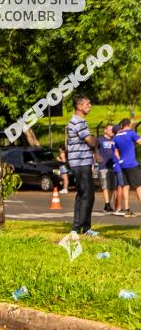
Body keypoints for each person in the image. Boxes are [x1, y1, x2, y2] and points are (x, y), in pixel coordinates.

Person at [67, 95, 102, 235]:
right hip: (80, 162)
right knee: (87, 195)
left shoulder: (79, 121)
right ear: (79, 106)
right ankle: (78, 228)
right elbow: (91, 141)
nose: (90, 106)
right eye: (88, 104)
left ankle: (83, 228)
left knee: (83, 194)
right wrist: (96, 140)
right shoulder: (78, 122)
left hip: (82, 162)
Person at [113, 118, 141, 217]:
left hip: (122, 164)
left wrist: (120, 159)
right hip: (132, 163)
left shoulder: (116, 136)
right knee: (138, 186)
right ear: (129, 124)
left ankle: (127, 209)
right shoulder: (131, 133)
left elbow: (116, 151)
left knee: (126, 186)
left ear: (121, 125)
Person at [97, 124, 117, 212]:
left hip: (113, 165)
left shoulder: (115, 139)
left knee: (112, 186)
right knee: (105, 185)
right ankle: (107, 204)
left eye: (113, 130)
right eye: (110, 129)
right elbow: (93, 150)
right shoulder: (99, 139)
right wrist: (96, 159)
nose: (112, 131)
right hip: (103, 165)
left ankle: (107, 204)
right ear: (105, 130)